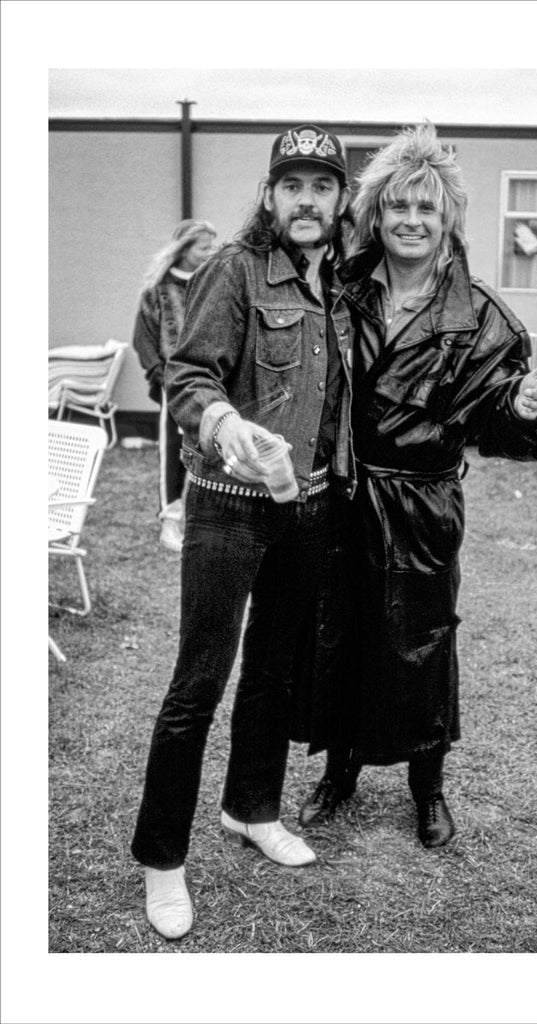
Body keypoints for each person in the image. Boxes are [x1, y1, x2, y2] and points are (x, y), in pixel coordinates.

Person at [298, 122, 537, 850]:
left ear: (446, 220)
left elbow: (509, 420)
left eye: (426, 209)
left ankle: (427, 787)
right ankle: (339, 772)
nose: (410, 221)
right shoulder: (338, 291)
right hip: (345, 496)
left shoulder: (478, 314)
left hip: (420, 504)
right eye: (397, 207)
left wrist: (521, 407)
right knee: (342, 632)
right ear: (375, 215)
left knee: (420, 641)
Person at [130, 124, 355, 940]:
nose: (306, 198)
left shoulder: (341, 285)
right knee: (199, 683)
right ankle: (163, 861)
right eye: (291, 183)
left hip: (307, 508)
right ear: (270, 195)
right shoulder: (235, 266)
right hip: (228, 502)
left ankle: (251, 807)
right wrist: (227, 424)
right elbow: (188, 374)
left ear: (339, 200)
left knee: (273, 675)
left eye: (321, 185)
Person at [132, 218, 218, 552]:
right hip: (172, 384)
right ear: (183, 248)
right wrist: (159, 373)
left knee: (209, 447)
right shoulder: (156, 290)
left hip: (211, 382)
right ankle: (170, 520)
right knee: (171, 451)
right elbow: (142, 338)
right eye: (203, 247)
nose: (209, 253)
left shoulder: (212, 283)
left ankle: (204, 517)